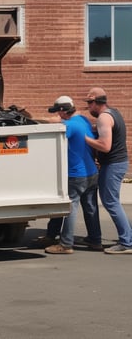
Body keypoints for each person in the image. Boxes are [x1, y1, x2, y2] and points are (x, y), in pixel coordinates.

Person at [43, 96, 102, 254]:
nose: (58, 115)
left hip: (76, 174)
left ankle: (66, 244)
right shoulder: (83, 120)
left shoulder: (68, 126)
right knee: (90, 208)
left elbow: (54, 133)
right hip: (91, 172)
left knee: (69, 208)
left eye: (58, 112)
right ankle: (95, 240)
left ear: (63, 110)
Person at [84, 87, 132, 254]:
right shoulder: (114, 112)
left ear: (97, 102)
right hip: (117, 163)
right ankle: (128, 237)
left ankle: (127, 243)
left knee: (111, 202)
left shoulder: (104, 118)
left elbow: (105, 146)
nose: (88, 107)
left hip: (113, 164)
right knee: (113, 202)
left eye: (89, 103)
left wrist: (85, 138)